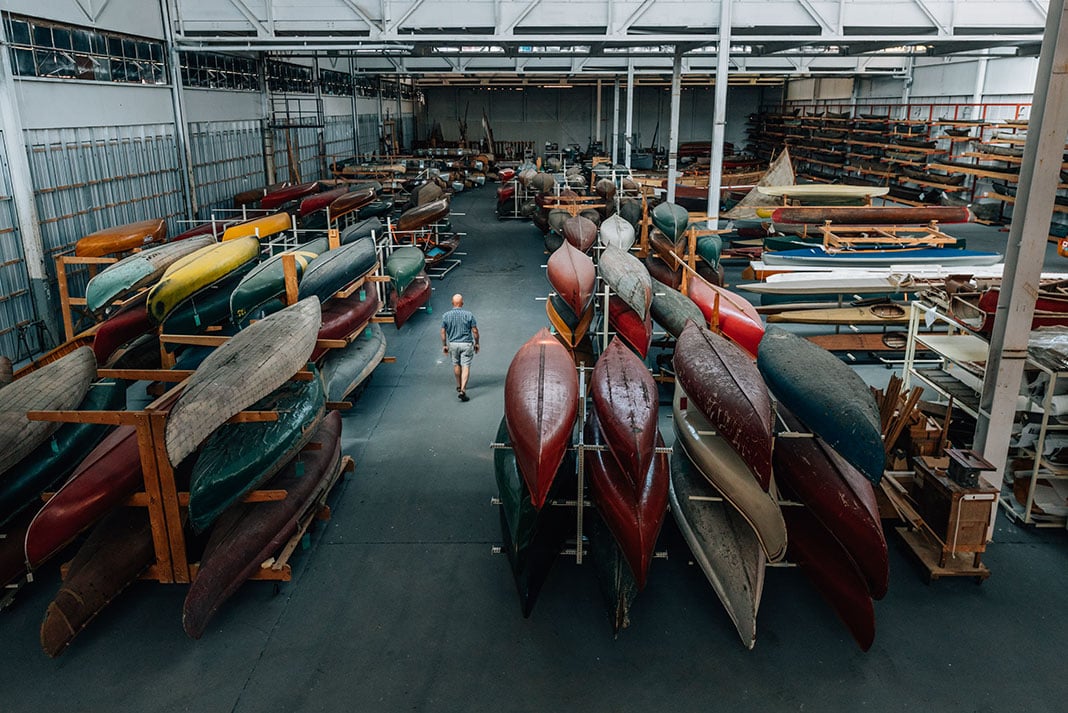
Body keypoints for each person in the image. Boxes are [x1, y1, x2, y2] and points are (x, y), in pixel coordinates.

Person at [440, 293, 479, 402]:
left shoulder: (446, 316)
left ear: (452, 303)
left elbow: (443, 332)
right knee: (466, 365)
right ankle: (463, 389)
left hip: (453, 344)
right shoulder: (469, 315)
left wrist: (444, 345)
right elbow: (475, 331)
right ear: (462, 303)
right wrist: (477, 343)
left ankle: (458, 385)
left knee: (456, 364)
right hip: (466, 344)